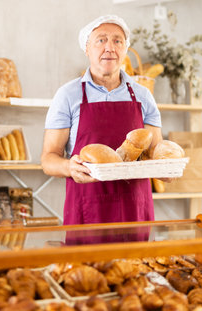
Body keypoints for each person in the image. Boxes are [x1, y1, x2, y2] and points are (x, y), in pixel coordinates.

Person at [41, 15, 165, 226]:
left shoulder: (143, 96)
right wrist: (69, 167)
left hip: (134, 211)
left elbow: (156, 153)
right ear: (87, 48)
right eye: (101, 40)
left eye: (117, 41)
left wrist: (166, 169)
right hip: (87, 210)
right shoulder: (68, 95)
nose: (110, 47)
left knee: (137, 260)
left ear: (125, 49)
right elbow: (48, 159)